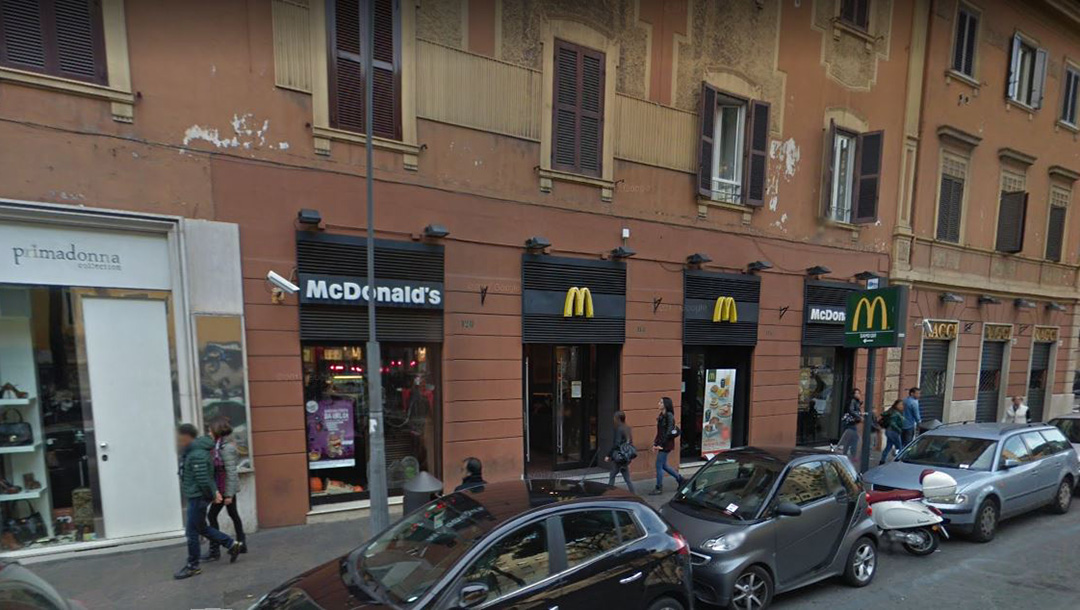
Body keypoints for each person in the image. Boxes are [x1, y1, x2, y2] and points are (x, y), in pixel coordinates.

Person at [175, 424, 240, 580]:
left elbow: (204, 478)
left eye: (179, 437)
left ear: (186, 437)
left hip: (198, 497)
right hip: (196, 495)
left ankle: (193, 566)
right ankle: (231, 544)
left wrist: (213, 493)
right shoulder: (193, 450)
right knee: (202, 528)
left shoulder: (197, 453)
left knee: (192, 533)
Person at [203, 418, 246, 562]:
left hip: (225, 488)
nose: (208, 432)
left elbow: (231, 472)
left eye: (210, 429)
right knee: (233, 514)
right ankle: (241, 543)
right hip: (221, 486)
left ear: (217, 430)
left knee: (212, 516)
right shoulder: (217, 446)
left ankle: (215, 549)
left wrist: (228, 494)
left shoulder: (226, 448)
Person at [650, 397, 685, 495]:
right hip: (662, 443)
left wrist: (661, 445)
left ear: (666, 404)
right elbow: (660, 432)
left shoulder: (669, 416)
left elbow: (668, 432)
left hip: (666, 444)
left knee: (658, 465)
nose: (659, 403)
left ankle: (659, 488)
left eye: (661, 402)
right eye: (659, 402)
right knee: (664, 465)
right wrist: (655, 443)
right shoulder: (661, 415)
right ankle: (681, 479)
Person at [604, 411, 636, 493]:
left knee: (612, 475)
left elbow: (617, 444)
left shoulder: (619, 429)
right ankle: (633, 493)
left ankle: (609, 492)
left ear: (617, 419)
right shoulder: (627, 428)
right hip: (626, 456)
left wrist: (609, 455)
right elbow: (630, 442)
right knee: (627, 478)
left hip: (619, 456)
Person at [837, 388, 863, 458]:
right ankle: (853, 455)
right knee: (855, 438)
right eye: (856, 393)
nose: (858, 395)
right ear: (853, 394)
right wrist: (859, 417)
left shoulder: (855, 401)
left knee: (848, 439)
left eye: (859, 393)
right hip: (850, 422)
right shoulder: (853, 400)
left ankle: (844, 454)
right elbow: (851, 410)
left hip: (850, 422)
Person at [879, 400, 906, 465]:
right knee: (899, 447)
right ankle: (897, 460)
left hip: (889, 431)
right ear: (896, 405)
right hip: (893, 432)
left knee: (888, 446)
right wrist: (899, 429)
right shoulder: (895, 413)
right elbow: (893, 423)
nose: (902, 406)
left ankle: (882, 460)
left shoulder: (892, 411)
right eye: (901, 405)